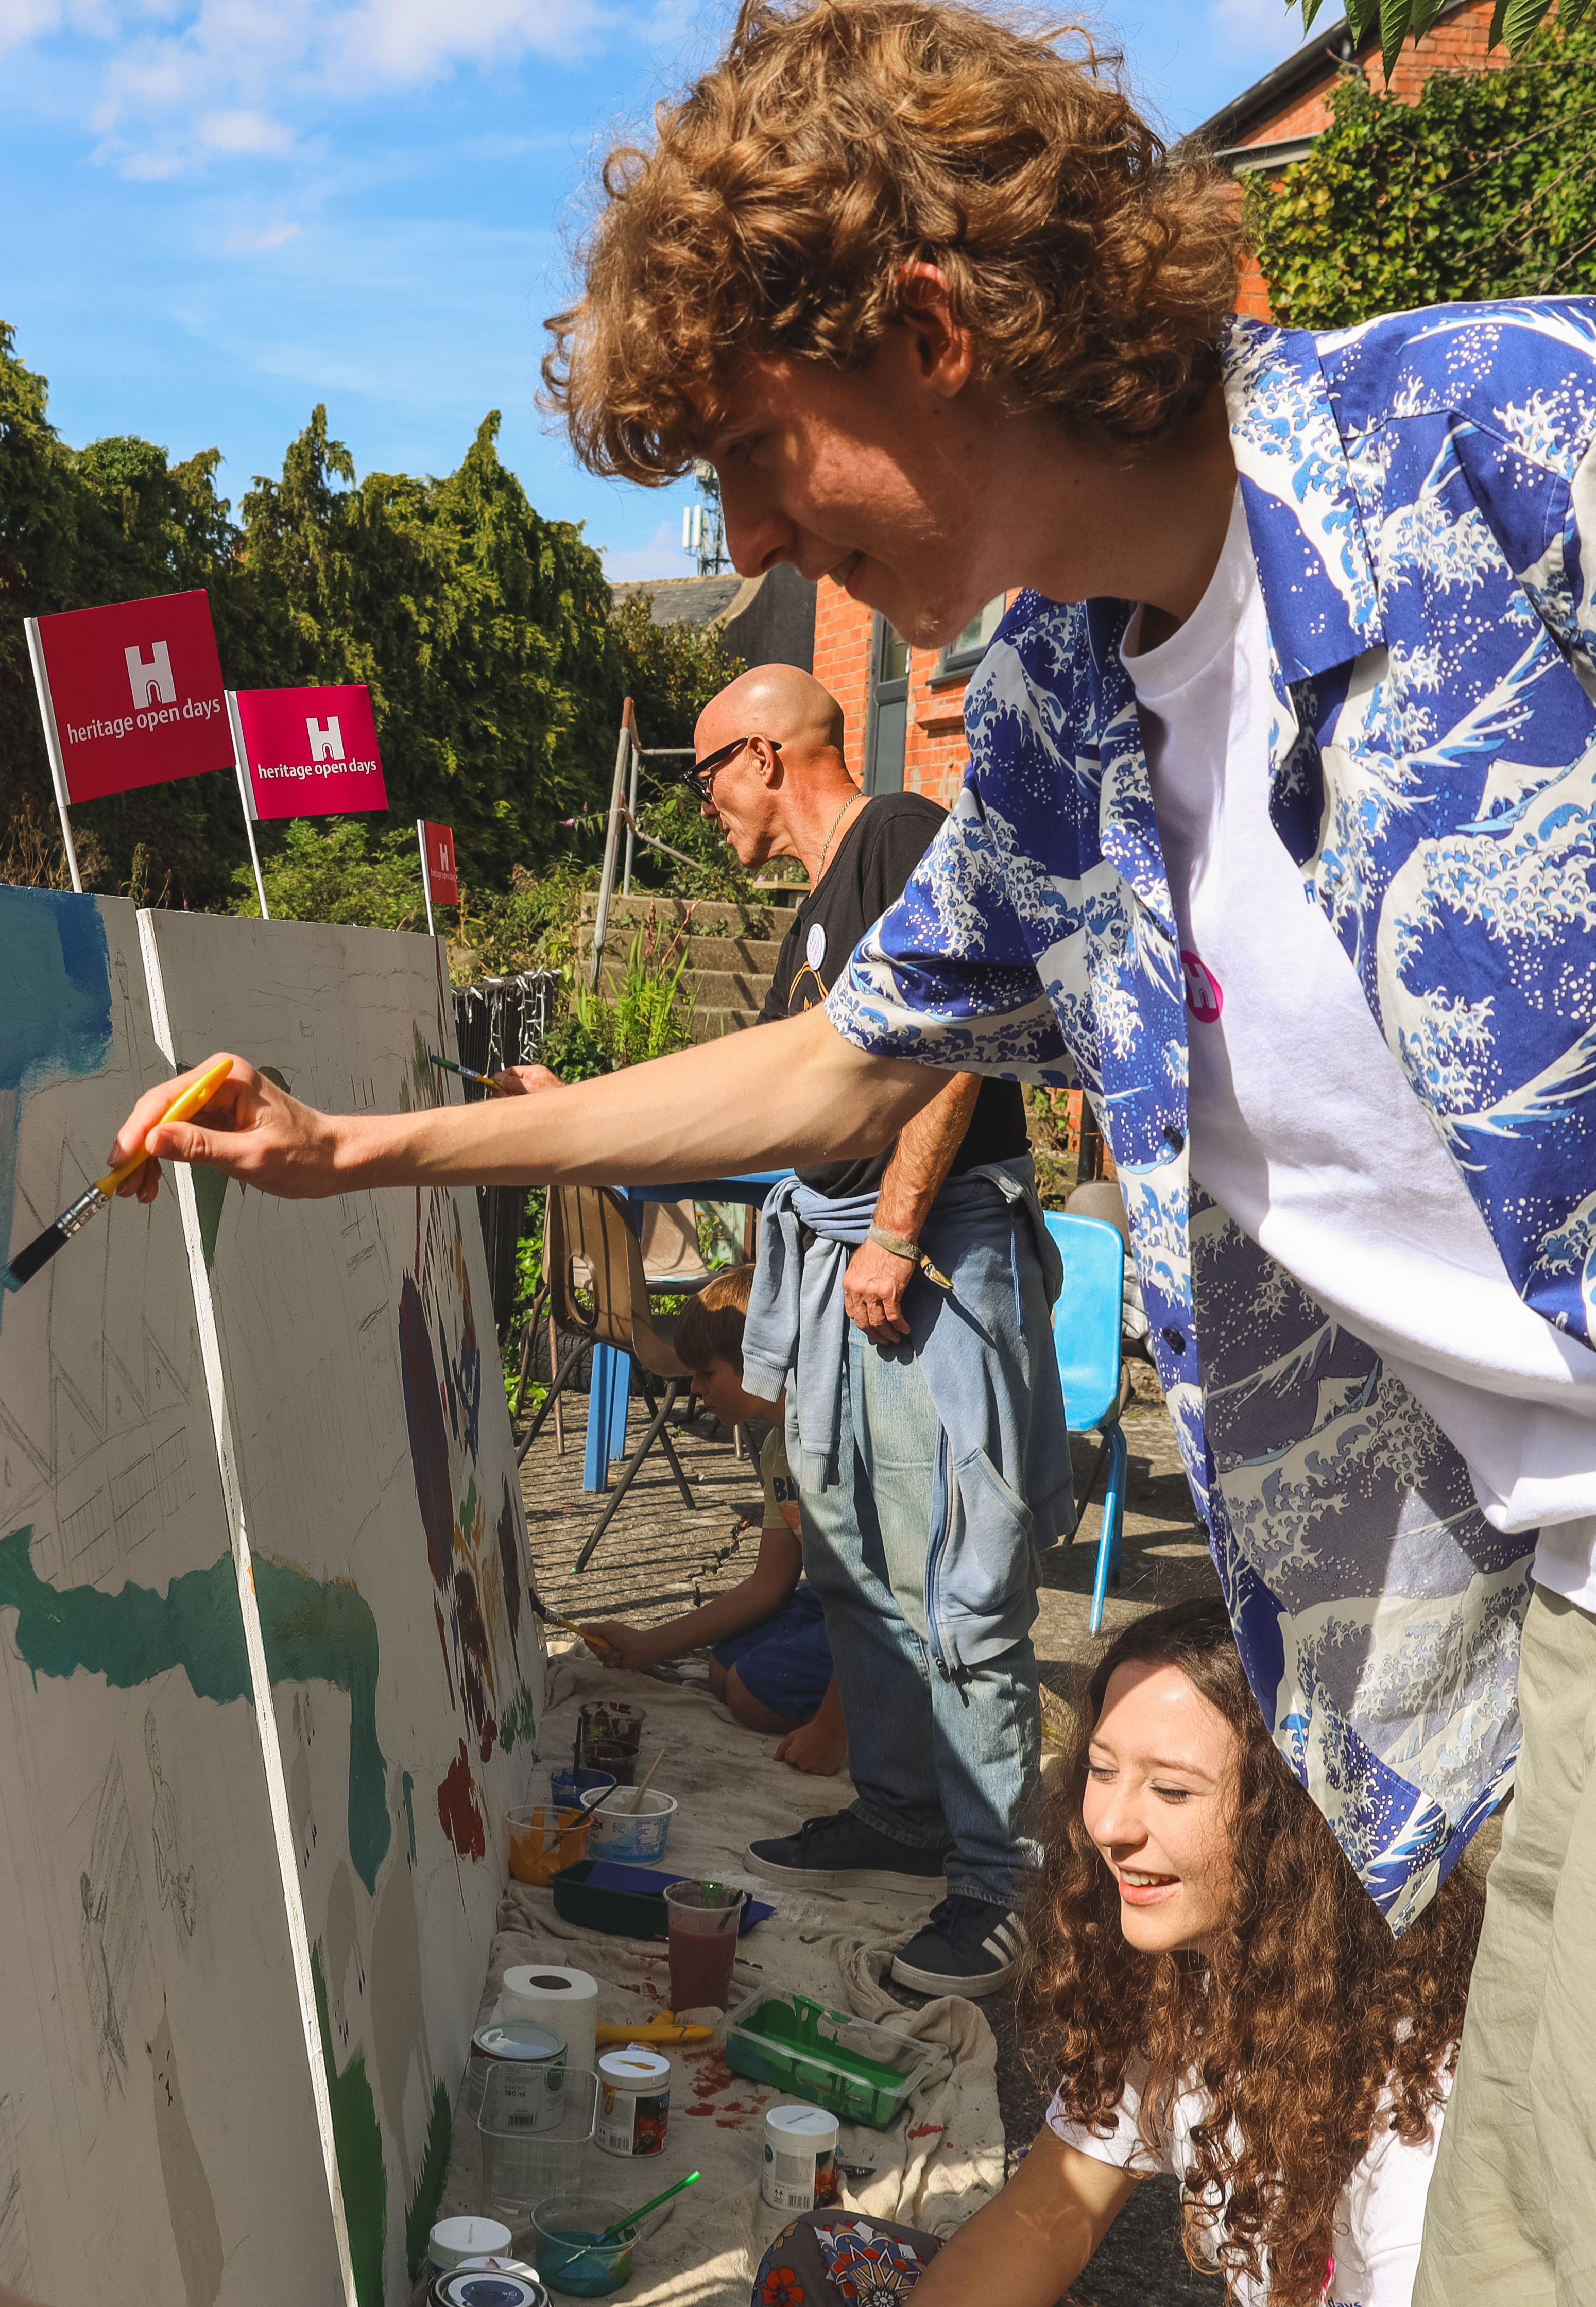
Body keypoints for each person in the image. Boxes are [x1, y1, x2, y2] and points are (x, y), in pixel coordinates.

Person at [107, 3, 1596, 2291]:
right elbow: (844, 1061)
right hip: (1548, 1656)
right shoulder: (1072, 702)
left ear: (926, 330)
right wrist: (362, 1144)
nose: (744, 530)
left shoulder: (1540, 438)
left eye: (755, 455)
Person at [679, 662, 1067, 1998]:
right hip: (852, 1263)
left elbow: (959, 1031)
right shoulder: (809, 923)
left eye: (705, 771)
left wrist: (898, 1227)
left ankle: (1003, 1888)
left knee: (962, 1571)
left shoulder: (899, 835)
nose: (705, 802)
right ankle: (904, 1810)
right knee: (851, 1555)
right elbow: (794, 1112)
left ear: (769, 755)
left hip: (933, 1254)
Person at [754, 1598, 1483, 2307]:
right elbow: (1046, 2218)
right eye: (1101, 1770)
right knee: (826, 2261)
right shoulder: (1179, 1971)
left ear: (1295, 1821)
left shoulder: (1419, 2102)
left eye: (1170, 1789)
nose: (1107, 1825)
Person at [575, 1280, 841, 1747]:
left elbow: (889, 1600)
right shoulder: (779, 1449)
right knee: (724, 1668)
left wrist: (830, 1729)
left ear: (762, 1362)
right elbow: (769, 1584)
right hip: (832, 1605)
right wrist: (644, 1645)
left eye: (706, 1373)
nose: (695, 1389)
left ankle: (897, 1712)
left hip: (888, 1620)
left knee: (749, 1692)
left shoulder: (833, 1444)